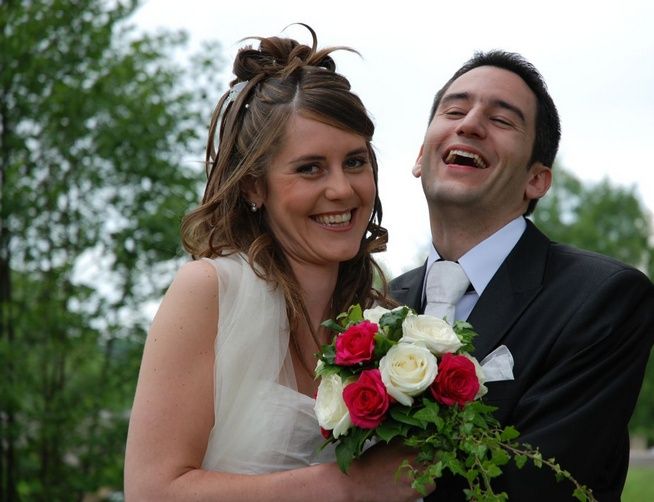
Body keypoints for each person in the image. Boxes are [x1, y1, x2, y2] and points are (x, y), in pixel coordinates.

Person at [124, 26, 426, 501]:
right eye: (310, 168)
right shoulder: (211, 290)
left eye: (354, 162)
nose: (342, 189)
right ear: (254, 186)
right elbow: (152, 491)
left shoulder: (382, 321)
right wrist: (351, 487)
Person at [390, 50, 654, 501]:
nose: (470, 124)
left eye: (501, 120)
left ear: (537, 180)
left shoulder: (603, 298)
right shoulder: (378, 302)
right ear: (420, 157)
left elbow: (535, 485)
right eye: (454, 110)